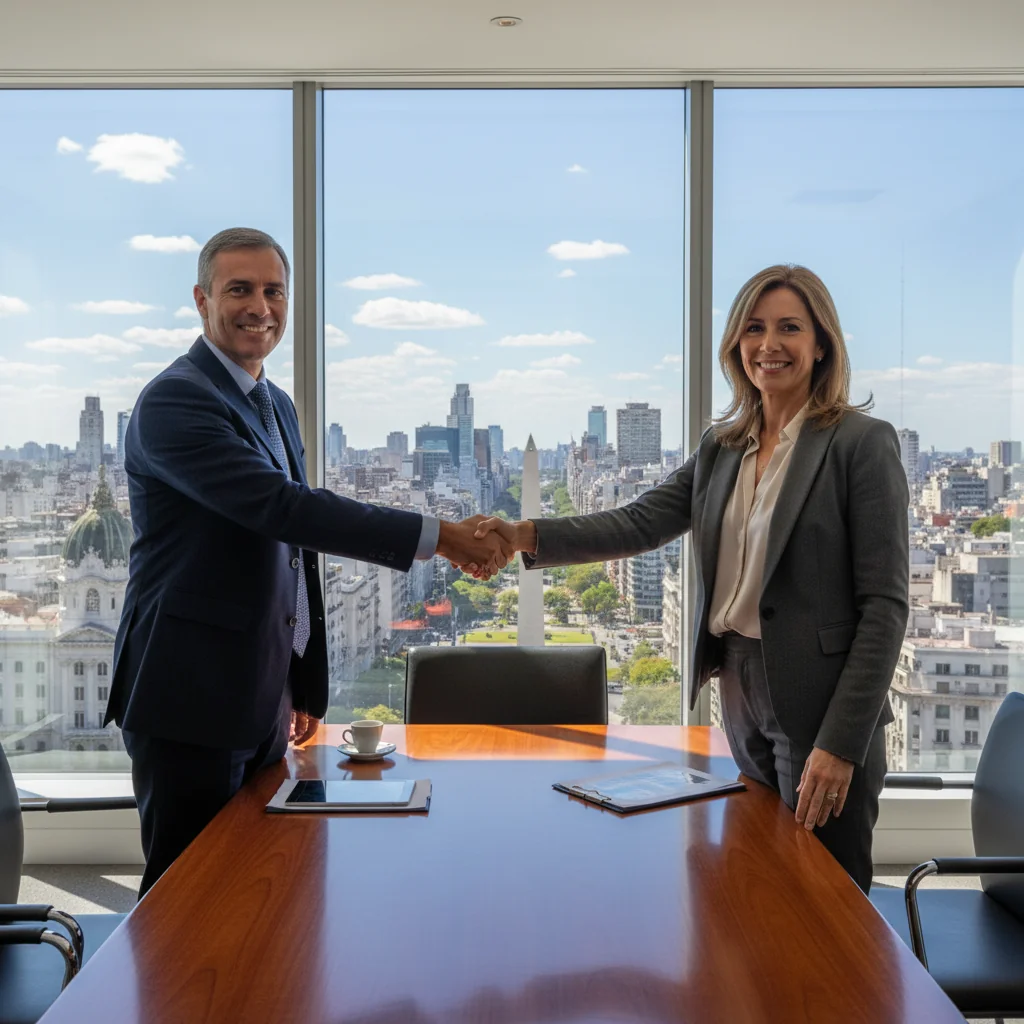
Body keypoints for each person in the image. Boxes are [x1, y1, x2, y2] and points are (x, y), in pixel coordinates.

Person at [471, 265, 908, 893]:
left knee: (823, 900)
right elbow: (641, 522)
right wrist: (523, 535)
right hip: (738, 687)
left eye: (790, 327)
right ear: (736, 345)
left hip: (820, 702)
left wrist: (842, 744)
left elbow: (886, 606)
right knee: (757, 878)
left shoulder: (860, 444)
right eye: (754, 328)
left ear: (821, 344)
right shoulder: (722, 446)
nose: (769, 344)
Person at [108, 227, 512, 896]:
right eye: (239, 289)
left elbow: (290, 557)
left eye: (273, 291)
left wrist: (298, 676)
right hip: (189, 695)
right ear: (201, 299)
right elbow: (284, 509)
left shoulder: (274, 403)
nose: (259, 307)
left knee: (258, 883)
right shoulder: (175, 401)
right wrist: (441, 535)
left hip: (258, 692)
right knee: (187, 899)